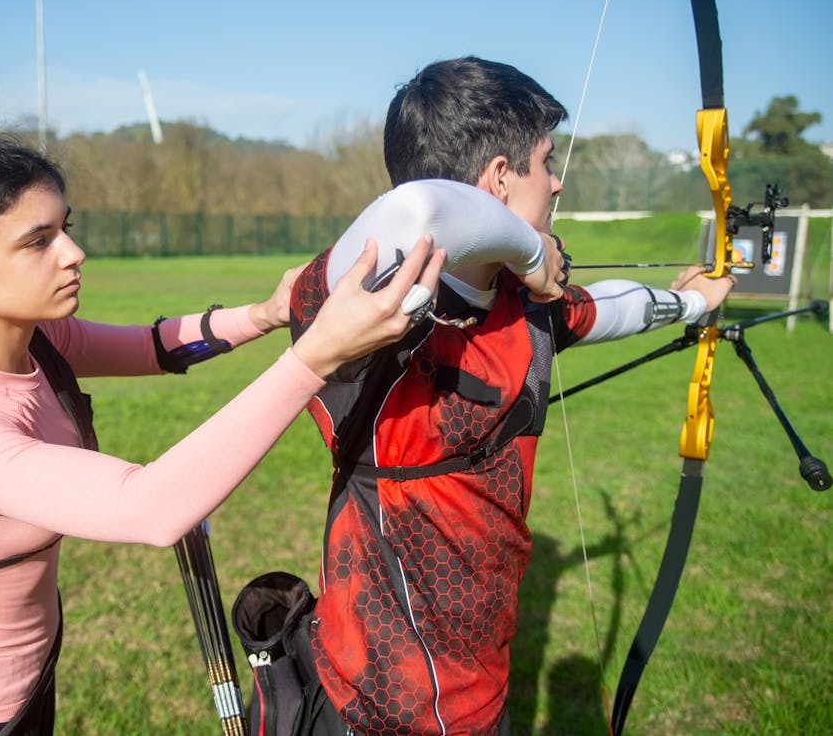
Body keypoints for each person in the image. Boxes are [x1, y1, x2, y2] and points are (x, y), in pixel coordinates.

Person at [0, 133, 448, 735]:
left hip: (28, 679)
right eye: (38, 242)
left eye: (66, 227)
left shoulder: (31, 341)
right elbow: (148, 507)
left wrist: (266, 314)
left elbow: (153, 345)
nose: (74, 252)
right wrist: (316, 356)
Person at [286, 57, 737, 735]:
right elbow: (416, 208)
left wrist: (689, 302)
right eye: (544, 162)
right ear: (498, 177)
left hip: (479, 681)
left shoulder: (523, 306)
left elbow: (609, 307)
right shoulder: (361, 305)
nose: (555, 182)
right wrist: (529, 246)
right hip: (380, 701)